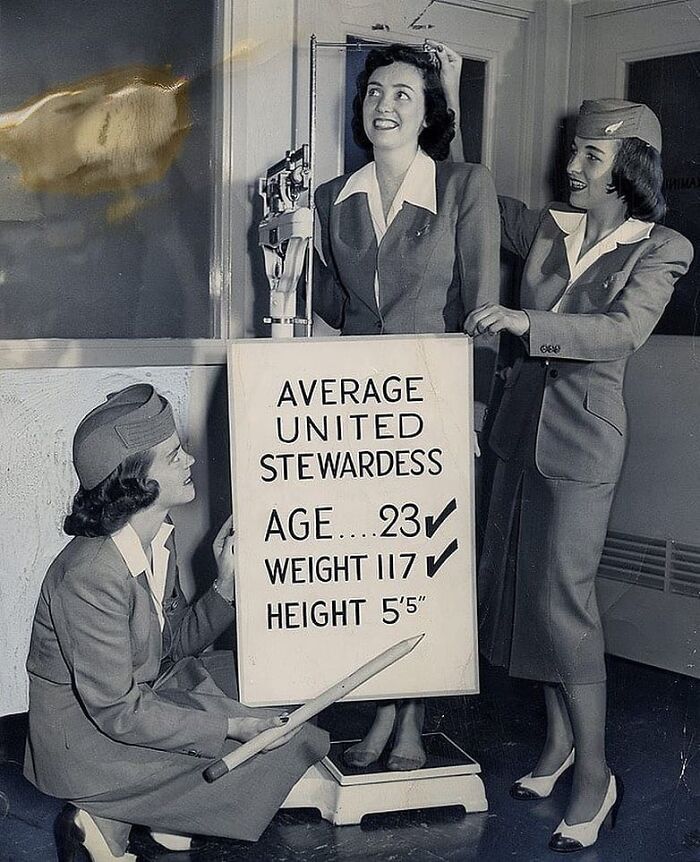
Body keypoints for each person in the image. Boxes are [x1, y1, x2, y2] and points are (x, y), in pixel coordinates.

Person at [465, 99, 693, 852]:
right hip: (513, 438)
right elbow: (467, 189)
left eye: (591, 158)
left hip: (582, 445)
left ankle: (596, 772)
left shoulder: (660, 248)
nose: (572, 168)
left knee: (564, 604)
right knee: (526, 599)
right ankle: (559, 745)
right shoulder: (545, 227)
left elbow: (622, 331)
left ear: (628, 170)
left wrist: (529, 323)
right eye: (574, 152)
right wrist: (442, 98)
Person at [24, 384, 329, 861]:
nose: (188, 460)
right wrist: (231, 725)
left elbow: (172, 647)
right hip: (86, 744)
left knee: (276, 694)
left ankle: (159, 813)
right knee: (266, 737)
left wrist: (224, 585)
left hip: (135, 706)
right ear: (135, 482)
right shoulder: (89, 575)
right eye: (173, 456)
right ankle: (107, 815)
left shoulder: (153, 539)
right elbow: (116, 712)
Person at [313, 42, 500, 771]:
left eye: (402, 95)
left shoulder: (463, 186)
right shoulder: (334, 197)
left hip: (436, 402)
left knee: (425, 566)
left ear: (427, 114)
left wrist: (473, 416)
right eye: (374, 93)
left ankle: (409, 720)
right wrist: (292, 256)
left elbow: (482, 308)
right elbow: (340, 305)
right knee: (375, 569)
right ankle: (385, 711)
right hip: (362, 405)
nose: (384, 106)